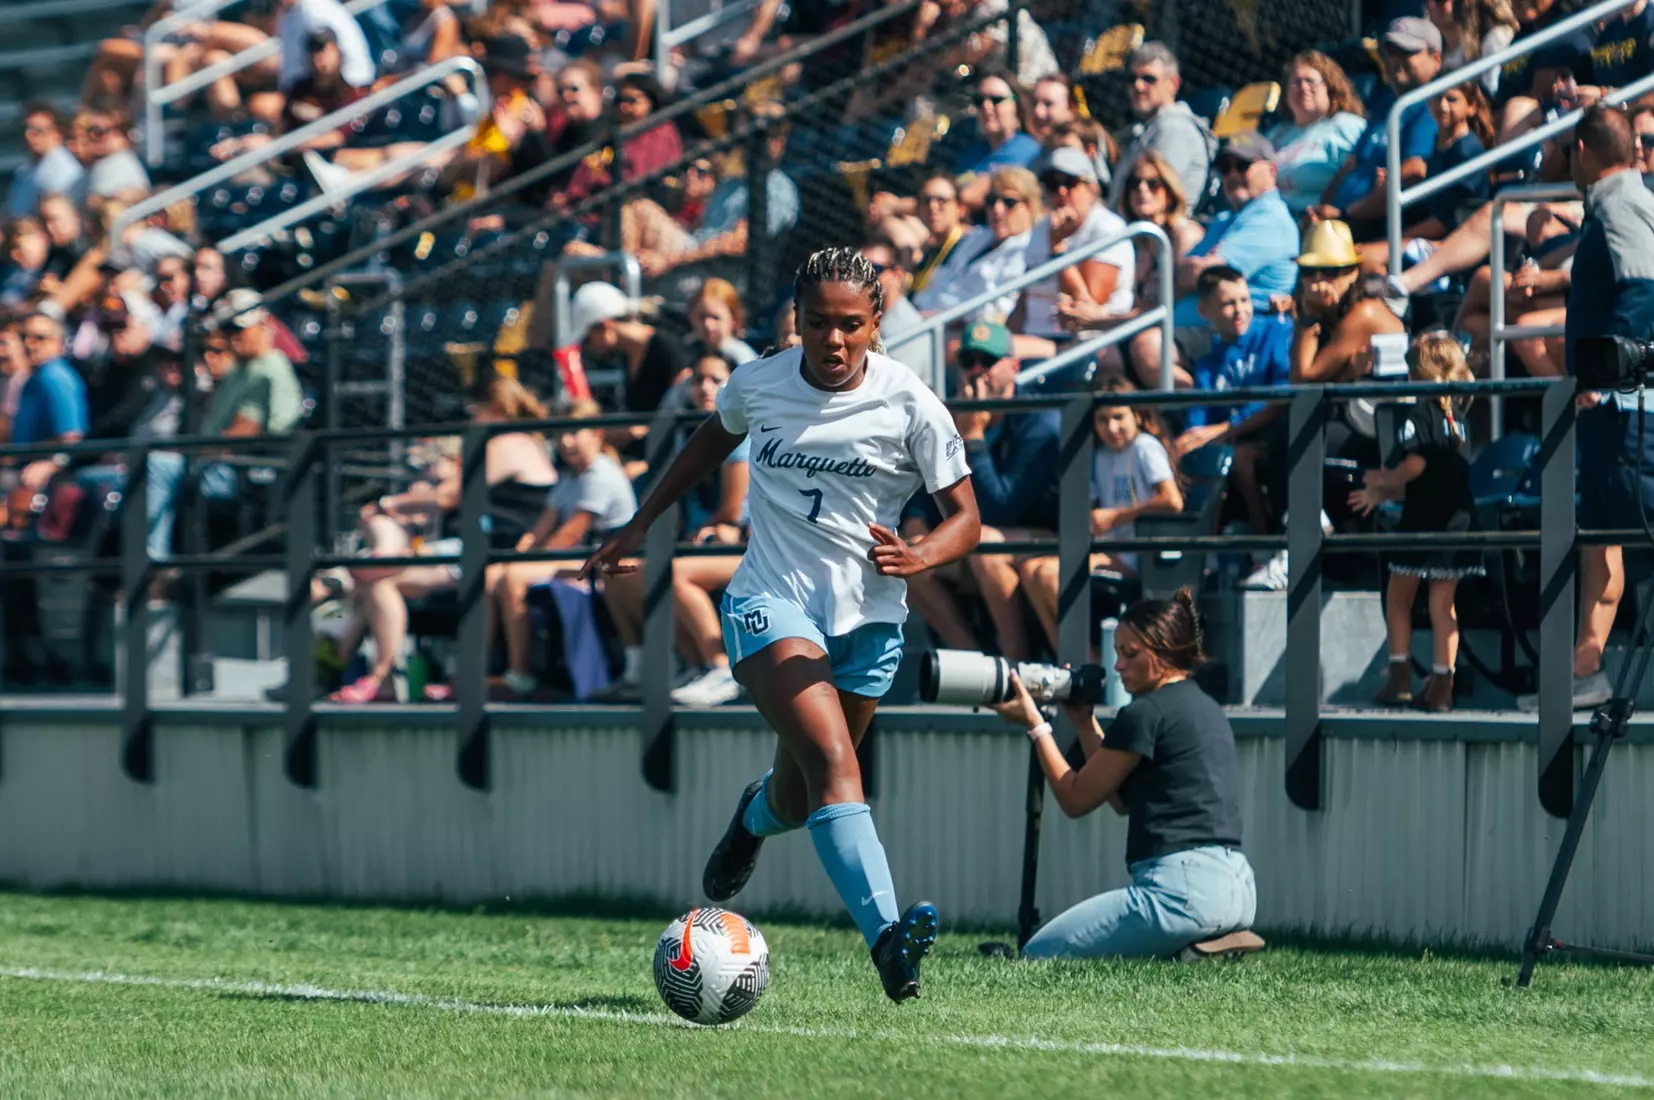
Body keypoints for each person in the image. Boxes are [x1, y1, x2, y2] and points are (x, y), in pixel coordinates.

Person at [581, 248, 982, 1003]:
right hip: (770, 602)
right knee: (836, 762)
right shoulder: (760, 381)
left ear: (877, 322)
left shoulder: (910, 402)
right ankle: (890, 941)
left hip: (869, 619)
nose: (833, 341)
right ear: (796, 319)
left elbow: (968, 519)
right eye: (818, 323)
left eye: (850, 326)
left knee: (803, 795)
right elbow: (713, 436)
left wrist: (921, 551)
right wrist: (641, 521)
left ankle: (753, 818)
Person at [989, 590, 1256, 960]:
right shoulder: (1205, 707)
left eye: (1130, 654)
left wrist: (1035, 724)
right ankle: (1191, 948)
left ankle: (1185, 941)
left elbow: (1076, 798)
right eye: (1118, 653)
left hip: (1182, 889)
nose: (1118, 666)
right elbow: (1119, 799)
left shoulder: (1146, 712)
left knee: (1040, 952)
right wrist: (1084, 723)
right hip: (1239, 889)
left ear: (1164, 652)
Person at [1523, 105, 1654, 711]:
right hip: (1614, 415)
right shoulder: (1615, 200)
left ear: (1581, 150)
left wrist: (1605, 373)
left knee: (1643, 542)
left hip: (1629, 413)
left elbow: (1644, 286)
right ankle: (1586, 673)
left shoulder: (1621, 199)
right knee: (1601, 544)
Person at [903, 323, 1059, 663]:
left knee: (984, 544)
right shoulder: (950, 415)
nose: (976, 372)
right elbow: (926, 479)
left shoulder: (1038, 421)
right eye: (968, 362)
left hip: (1046, 536)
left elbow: (1002, 509)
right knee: (910, 559)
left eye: (987, 362)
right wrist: (915, 519)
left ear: (1014, 366)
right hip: (987, 537)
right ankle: (975, 664)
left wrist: (973, 438)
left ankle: (1016, 669)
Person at [1351, 333, 1480, 713]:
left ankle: (1400, 679)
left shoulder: (1419, 414)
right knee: (1444, 606)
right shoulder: (1459, 416)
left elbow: (1416, 465)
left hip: (1424, 525)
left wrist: (1380, 479)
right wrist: (1384, 493)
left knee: (1398, 599)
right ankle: (1443, 684)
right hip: (1458, 521)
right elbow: (1438, 477)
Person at [1019, 376, 1181, 655]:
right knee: (1029, 570)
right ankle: (1067, 655)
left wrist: (1115, 517)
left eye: (1119, 417)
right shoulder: (1101, 455)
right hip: (1107, 549)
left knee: (1048, 574)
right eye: (1103, 420)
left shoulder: (1144, 447)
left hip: (1137, 556)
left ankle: (1085, 659)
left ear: (1137, 416)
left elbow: (1172, 500)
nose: (1112, 428)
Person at [1130, 132, 1299, 388]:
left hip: (1237, 333)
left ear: (1271, 170)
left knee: (1148, 346)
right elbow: (1185, 273)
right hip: (1200, 328)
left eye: (1242, 166)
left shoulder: (1270, 218)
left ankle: (1208, 417)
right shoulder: (1226, 219)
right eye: (1225, 168)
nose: (1231, 175)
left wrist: (1188, 273)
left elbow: (1201, 274)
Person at [496, 399, 638, 700]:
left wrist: (521, 565)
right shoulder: (569, 479)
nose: (566, 442)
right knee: (492, 575)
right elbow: (540, 528)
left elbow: (568, 536)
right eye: (561, 434)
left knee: (512, 578)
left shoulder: (602, 474)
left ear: (597, 434)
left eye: (574, 433)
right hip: (580, 561)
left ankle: (520, 673)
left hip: (607, 565)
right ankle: (485, 667)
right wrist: (519, 553)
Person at [1177, 266, 1293, 538]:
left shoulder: (1276, 330)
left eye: (1244, 300)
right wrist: (1183, 444)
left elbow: (1279, 397)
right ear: (1205, 311)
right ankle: (1201, 552)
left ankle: (1265, 544)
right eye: (1228, 304)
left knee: (1237, 458)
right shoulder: (1208, 363)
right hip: (1233, 440)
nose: (1240, 310)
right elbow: (1198, 420)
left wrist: (1223, 430)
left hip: (1276, 436)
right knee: (1192, 454)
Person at [1315, 17, 1442, 241]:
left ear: (1436, 58)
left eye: (1406, 51)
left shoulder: (1433, 105)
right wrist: (1322, 208)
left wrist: (1348, 213)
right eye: (1390, 51)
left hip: (1372, 227)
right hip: (1340, 222)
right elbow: (1351, 164)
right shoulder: (1386, 101)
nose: (1395, 59)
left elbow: (1414, 171)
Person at [1009, 145, 1135, 363]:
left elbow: (1086, 305)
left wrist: (1058, 250)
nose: (1061, 192)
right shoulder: (1042, 228)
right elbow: (1023, 303)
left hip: (1085, 341)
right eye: (1052, 184)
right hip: (1035, 337)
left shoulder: (1108, 227)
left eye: (1069, 183)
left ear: (1092, 187)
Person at [1109, 42, 1216, 211]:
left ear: (1172, 84)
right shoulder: (1148, 129)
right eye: (1132, 79)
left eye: (1148, 79)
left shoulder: (1175, 128)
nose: (1138, 86)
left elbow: (1154, 200)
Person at [1265, 52, 1366, 217]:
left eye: (1310, 81)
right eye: (1296, 82)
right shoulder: (1275, 135)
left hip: (1320, 222)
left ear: (1329, 86)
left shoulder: (1348, 126)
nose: (1303, 88)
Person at [689, 278, 760, 366]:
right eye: (701, 317)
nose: (707, 325)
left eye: (716, 318)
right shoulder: (687, 351)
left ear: (734, 320)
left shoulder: (741, 358)